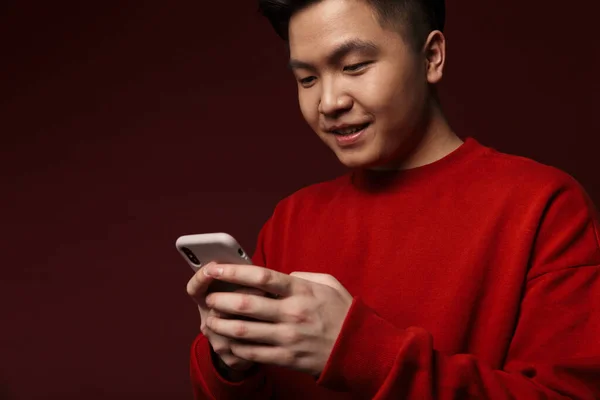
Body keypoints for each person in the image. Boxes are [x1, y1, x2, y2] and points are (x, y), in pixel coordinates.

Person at [186, 0, 600, 398]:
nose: (329, 103)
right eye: (307, 79)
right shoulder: (291, 218)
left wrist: (355, 351)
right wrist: (229, 363)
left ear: (432, 56)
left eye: (354, 67)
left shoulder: (545, 206)